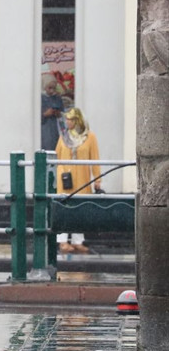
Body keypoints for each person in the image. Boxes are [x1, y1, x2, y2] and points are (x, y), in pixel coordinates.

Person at [55, 107, 102, 254]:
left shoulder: (90, 137)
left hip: (82, 179)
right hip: (65, 178)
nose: (67, 122)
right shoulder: (64, 136)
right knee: (64, 208)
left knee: (80, 209)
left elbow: (94, 158)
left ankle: (77, 241)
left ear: (78, 120)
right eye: (67, 119)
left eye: (71, 119)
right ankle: (62, 241)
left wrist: (97, 179)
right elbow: (57, 155)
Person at [41, 73, 64, 151]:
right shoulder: (39, 98)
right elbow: (33, 118)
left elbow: (62, 113)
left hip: (55, 129)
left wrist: (58, 113)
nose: (52, 91)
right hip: (44, 131)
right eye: (49, 88)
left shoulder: (57, 98)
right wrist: (45, 114)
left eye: (54, 88)